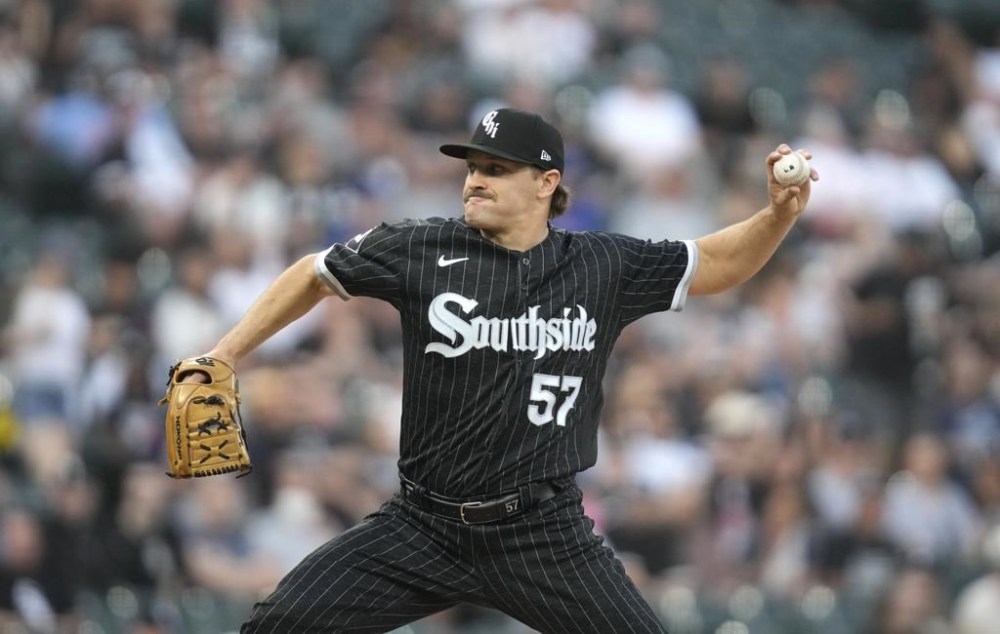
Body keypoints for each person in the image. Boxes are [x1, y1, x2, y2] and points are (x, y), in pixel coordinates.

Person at [179, 107, 816, 633]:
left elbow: (715, 263)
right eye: (472, 168)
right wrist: (227, 352)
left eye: (496, 169)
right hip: (421, 525)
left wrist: (778, 217)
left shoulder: (601, 265)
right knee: (276, 628)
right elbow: (315, 274)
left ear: (547, 183)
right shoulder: (420, 247)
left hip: (543, 533)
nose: (473, 181)